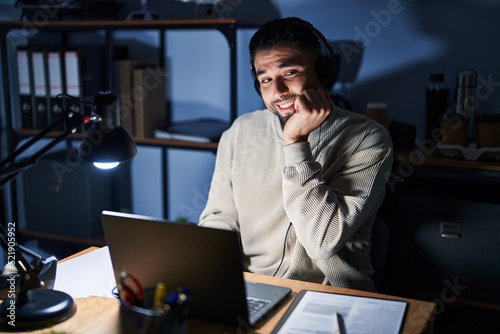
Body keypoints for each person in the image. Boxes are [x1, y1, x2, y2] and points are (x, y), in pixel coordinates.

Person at [198, 17, 393, 291]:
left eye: (289, 73)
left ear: (324, 74)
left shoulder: (368, 138)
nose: (277, 91)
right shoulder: (241, 131)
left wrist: (296, 142)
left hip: (328, 294)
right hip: (251, 286)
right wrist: (211, 268)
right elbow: (220, 216)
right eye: (265, 79)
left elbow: (321, 242)